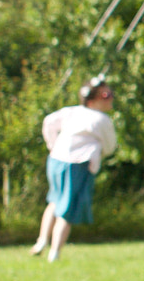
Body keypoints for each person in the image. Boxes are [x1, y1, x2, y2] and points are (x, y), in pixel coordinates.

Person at [32, 74, 117, 263]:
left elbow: (49, 122)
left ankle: (41, 241)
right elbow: (110, 146)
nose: (111, 98)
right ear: (93, 99)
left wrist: (52, 145)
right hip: (77, 165)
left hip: (55, 160)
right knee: (67, 209)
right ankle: (55, 252)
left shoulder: (71, 112)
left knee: (54, 201)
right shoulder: (101, 120)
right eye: (106, 95)